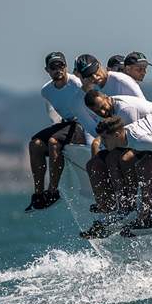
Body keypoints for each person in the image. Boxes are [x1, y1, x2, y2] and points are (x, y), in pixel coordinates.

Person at [26, 52, 97, 212]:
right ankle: (38, 193)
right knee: (35, 144)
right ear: (47, 70)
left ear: (66, 67)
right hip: (66, 124)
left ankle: (53, 191)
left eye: (61, 66)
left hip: (81, 123)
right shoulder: (46, 91)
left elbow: (92, 105)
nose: (58, 70)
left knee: (53, 142)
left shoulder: (77, 83)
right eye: (53, 67)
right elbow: (56, 113)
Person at [83, 90, 152, 213]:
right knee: (93, 164)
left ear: (107, 97)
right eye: (98, 112)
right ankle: (106, 206)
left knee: (116, 158)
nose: (103, 112)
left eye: (103, 107)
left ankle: (128, 203)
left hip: (151, 139)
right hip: (132, 139)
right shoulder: (109, 108)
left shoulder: (125, 110)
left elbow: (134, 138)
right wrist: (96, 146)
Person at [74, 54, 145, 99]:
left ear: (99, 64)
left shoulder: (122, 81)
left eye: (95, 71)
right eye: (89, 75)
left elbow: (144, 106)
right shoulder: (90, 89)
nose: (94, 77)